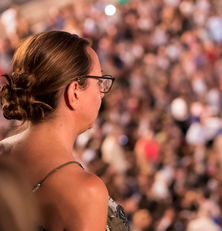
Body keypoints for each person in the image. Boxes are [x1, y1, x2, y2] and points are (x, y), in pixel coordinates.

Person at [0, 31, 129, 231]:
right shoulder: (85, 192)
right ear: (74, 91)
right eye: (98, 80)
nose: (102, 93)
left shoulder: (3, 154)